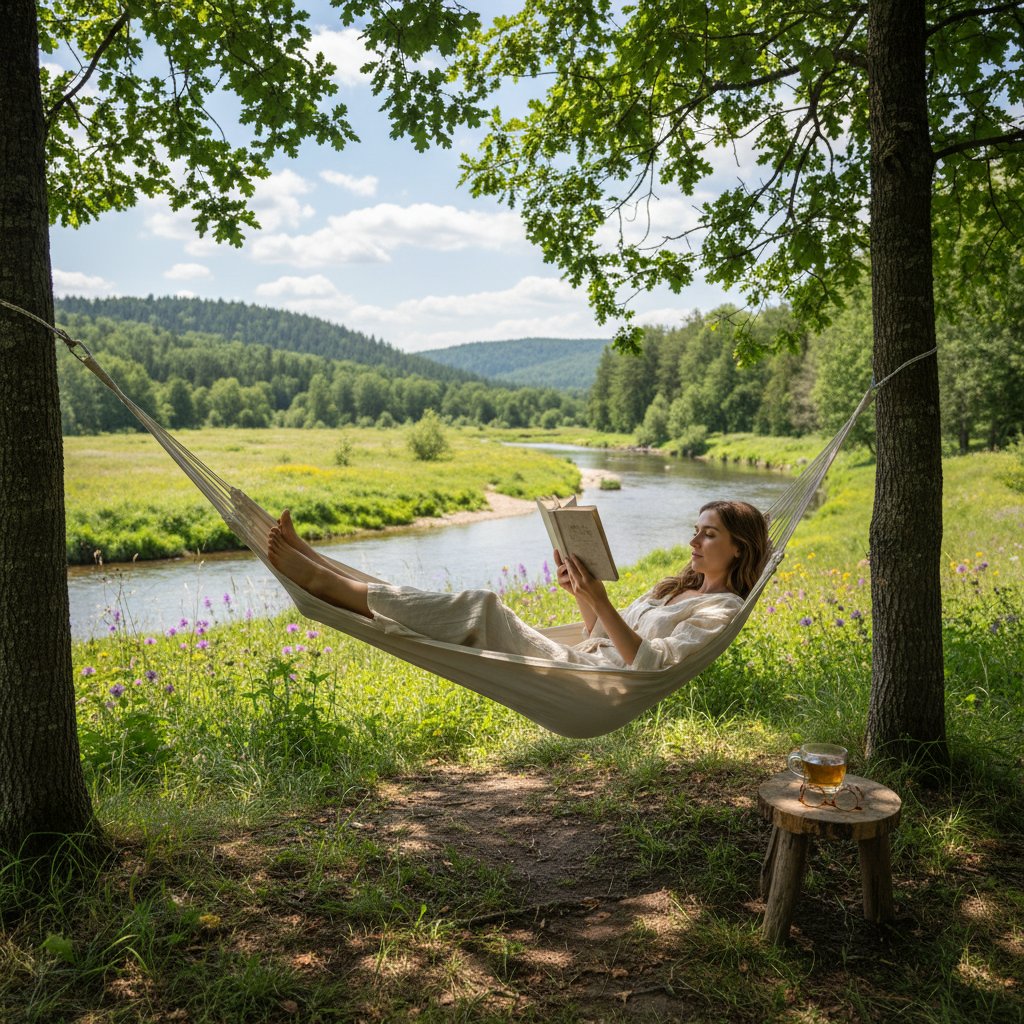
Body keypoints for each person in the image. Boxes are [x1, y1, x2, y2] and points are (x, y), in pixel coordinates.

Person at [266, 499, 770, 672]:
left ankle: (321, 579)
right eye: (695, 530)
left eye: (709, 534)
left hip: (592, 680)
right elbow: (599, 634)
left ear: (739, 548)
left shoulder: (721, 610)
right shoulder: (672, 589)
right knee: (480, 611)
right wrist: (582, 593)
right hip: (580, 659)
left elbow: (650, 665)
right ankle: (319, 565)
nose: (694, 541)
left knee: (482, 608)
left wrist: (601, 599)